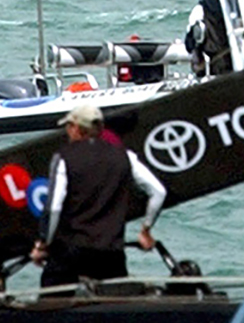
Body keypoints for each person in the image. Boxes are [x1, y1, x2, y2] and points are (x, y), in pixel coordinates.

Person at [30, 103, 166, 287]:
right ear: (100, 128)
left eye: (68, 127)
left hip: (71, 251)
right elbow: (158, 192)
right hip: (110, 253)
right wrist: (146, 230)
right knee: (112, 303)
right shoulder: (125, 156)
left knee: (51, 302)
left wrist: (43, 244)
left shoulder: (64, 158)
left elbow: (54, 207)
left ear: (76, 129)